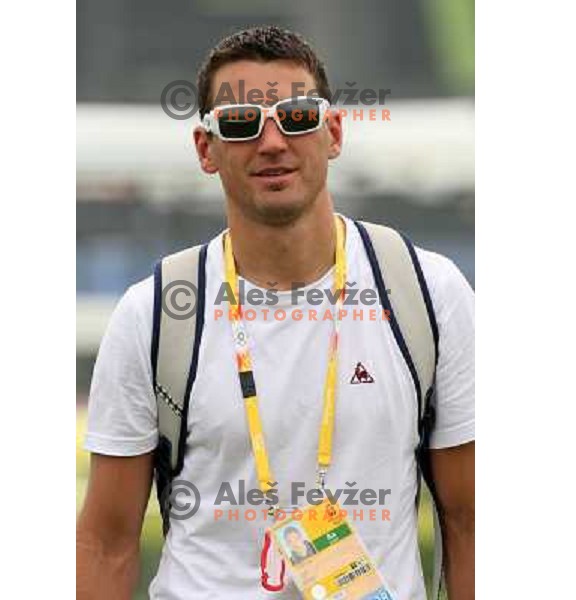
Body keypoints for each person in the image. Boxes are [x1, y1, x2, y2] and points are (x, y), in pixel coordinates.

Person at [76, 25, 475, 600]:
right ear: (205, 149)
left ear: (333, 132)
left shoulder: (426, 291)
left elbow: (470, 522)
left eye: (297, 117)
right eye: (239, 123)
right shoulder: (157, 310)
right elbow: (107, 542)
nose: (271, 142)